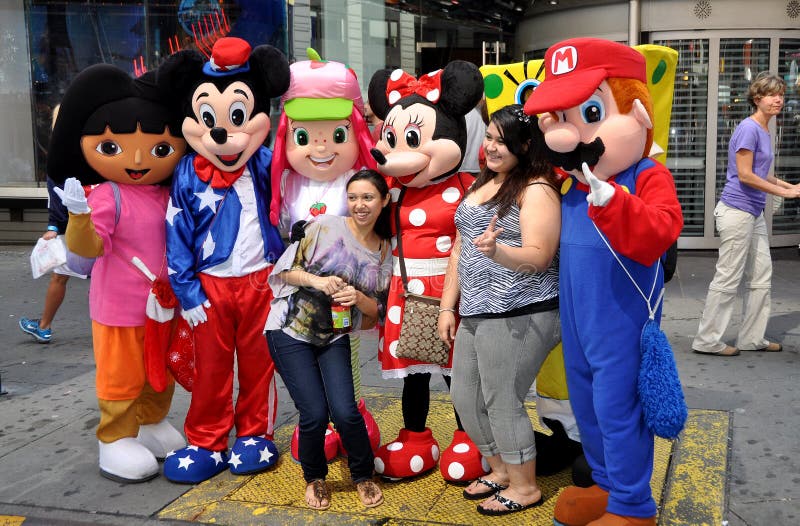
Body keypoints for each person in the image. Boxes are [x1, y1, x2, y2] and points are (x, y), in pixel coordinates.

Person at [524, 38, 684, 526]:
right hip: (578, 322)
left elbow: (660, 233)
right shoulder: (569, 184)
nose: (569, 136)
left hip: (622, 322)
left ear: (637, 112)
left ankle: (634, 506)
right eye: (559, 119)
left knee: (619, 411)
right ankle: (608, 488)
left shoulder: (646, 175)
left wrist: (613, 200)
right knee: (588, 406)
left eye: (589, 112)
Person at [47, 64, 187, 483]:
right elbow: (88, 248)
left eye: (160, 148)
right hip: (119, 308)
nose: (140, 158)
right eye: (114, 148)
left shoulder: (171, 190)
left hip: (164, 305)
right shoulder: (107, 195)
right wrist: (78, 216)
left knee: (159, 373)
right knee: (121, 375)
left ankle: (150, 423)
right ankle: (115, 438)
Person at [437, 104, 561, 516]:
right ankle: (501, 469)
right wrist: (446, 307)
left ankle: (525, 486)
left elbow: (539, 257)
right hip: (476, 310)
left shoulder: (537, 187)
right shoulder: (482, 183)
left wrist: (498, 252)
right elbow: (459, 248)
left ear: (525, 146)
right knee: (465, 396)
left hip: (520, 312)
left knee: (501, 397)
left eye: (501, 141)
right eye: (488, 136)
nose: (490, 146)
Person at [265, 169, 391, 510]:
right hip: (288, 330)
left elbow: (377, 308)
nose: (359, 205)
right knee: (315, 414)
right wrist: (318, 282)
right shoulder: (325, 227)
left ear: (384, 201)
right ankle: (315, 477)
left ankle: (363, 475)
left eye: (367, 198)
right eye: (353, 198)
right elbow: (281, 273)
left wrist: (357, 298)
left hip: (334, 334)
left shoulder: (383, 251)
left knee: (346, 412)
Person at [693, 73, 797, 357]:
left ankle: (752, 338)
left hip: (753, 213)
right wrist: (785, 195)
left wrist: (791, 186)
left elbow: (764, 173)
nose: (778, 99)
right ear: (757, 98)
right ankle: (707, 339)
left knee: (761, 275)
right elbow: (745, 175)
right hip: (737, 211)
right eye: (771, 94)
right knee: (729, 277)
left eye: (781, 94)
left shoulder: (765, 130)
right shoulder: (749, 129)